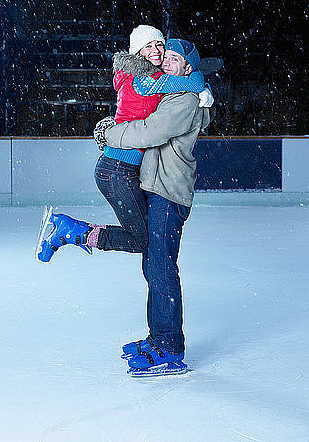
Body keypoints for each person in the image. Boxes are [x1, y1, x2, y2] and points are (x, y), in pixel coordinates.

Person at [36, 36, 212, 376]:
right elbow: (135, 97)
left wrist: (110, 133)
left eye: (174, 59)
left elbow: (150, 132)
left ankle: (169, 348)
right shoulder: (170, 90)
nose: (166, 62)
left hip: (168, 192)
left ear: (187, 66)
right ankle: (158, 335)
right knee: (152, 264)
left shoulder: (185, 99)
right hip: (153, 186)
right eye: (166, 57)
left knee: (160, 268)